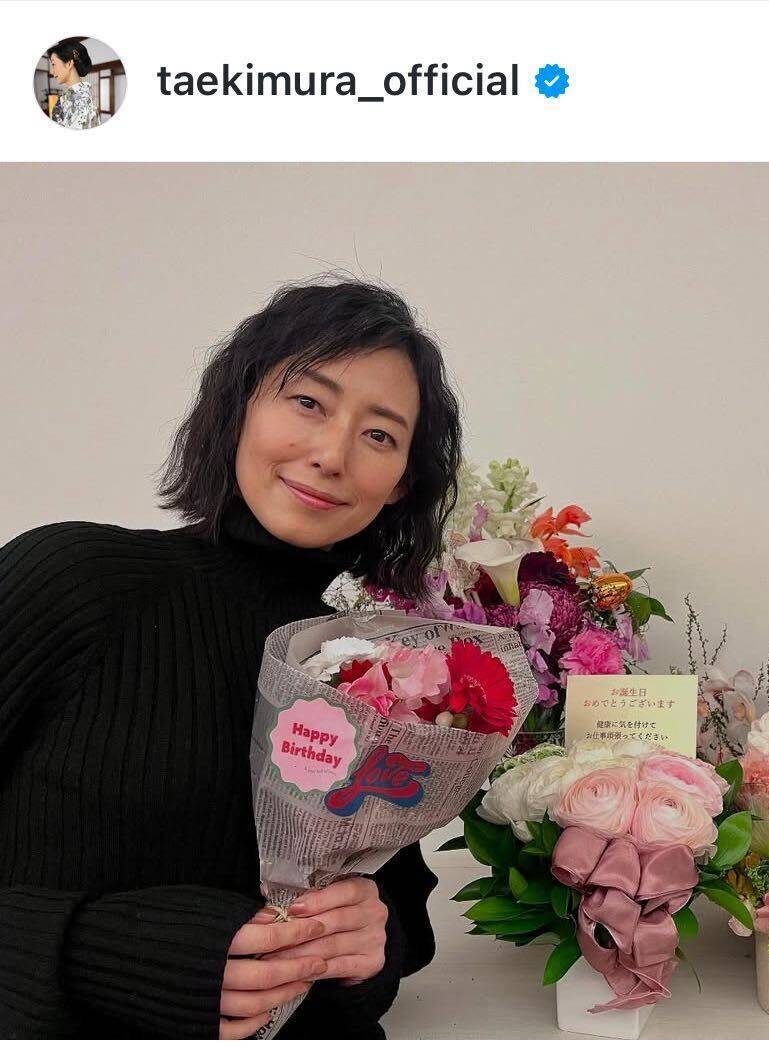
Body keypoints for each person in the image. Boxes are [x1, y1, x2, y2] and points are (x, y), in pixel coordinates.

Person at [0, 278, 462, 1038]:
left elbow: (403, 923)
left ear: (401, 482)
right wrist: (96, 954)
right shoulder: (72, 579)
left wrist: (363, 947)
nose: (332, 455)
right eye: (308, 402)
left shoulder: (373, 669)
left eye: (380, 435)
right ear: (240, 404)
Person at [48, 39, 99, 130]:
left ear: (69, 64)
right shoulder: (79, 96)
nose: (51, 71)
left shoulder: (78, 101)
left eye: (53, 64)